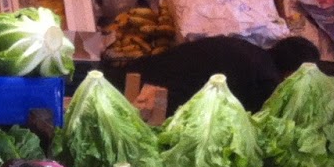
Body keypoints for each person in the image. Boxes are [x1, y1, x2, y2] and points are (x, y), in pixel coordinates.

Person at [109, 35, 322, 112]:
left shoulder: (247, 48)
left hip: (135, 75)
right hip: (147, 99)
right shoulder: (266, 81)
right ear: (293, 73)